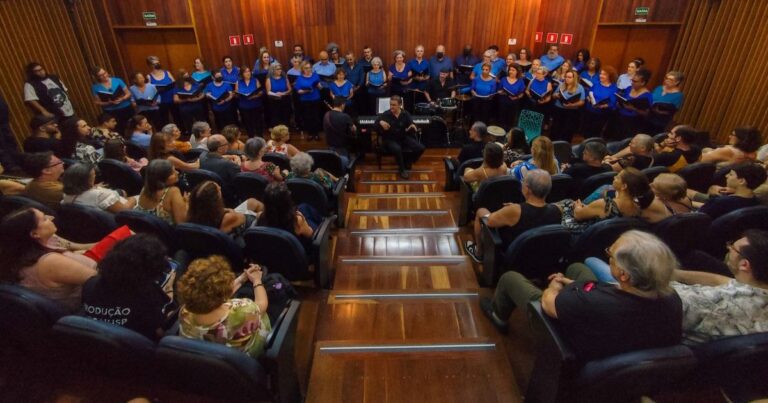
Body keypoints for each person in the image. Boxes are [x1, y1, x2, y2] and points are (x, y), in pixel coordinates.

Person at [481, 230, 682, 363]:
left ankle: (498, 316)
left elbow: (548, 303)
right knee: (578, 268)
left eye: (610, 256)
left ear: (623, 274)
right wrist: (574, 285)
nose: (608, 257)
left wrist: (554, 287)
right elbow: (610, 294)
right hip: (610, 336)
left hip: (565, 336)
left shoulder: (590, 302)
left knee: (510, 278)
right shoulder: (672, 299)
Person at [671, 230, 768, 344]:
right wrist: (675, 274)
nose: (728, 248)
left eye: (733, 248)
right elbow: (722, 281)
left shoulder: (713, 303)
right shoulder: (757, 289)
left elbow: (660, 295)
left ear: (744, 265)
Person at [0, 208, 95, 312]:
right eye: (45, 218)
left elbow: (79, 248)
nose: (51, 218)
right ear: (35, 234)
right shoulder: (50, 262)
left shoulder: (17, 256)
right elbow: (101, 280)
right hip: (91, 307)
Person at [81, 234, 173, 341]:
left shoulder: (90, 285)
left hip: (97, 345)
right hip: (137, 350)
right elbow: (161, 332)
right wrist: (170, 291)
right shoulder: (148, 294)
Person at [177, 256, 270, 358]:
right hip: (242, 360)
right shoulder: (243, 312)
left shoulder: (185, 312)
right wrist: (257, 280)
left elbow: (213, 295)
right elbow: (262, 304)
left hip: (208, 360)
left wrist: (242, 278)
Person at [465, 169, 561, 263]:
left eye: (523, 181)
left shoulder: (515, 211)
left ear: (527, 189)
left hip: (515, 256)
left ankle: (479, 253)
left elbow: (490, 221)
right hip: (542, 257)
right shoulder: (557, 210)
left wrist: (508, 210)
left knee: (481, 211)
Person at [559, 167, 670, 232]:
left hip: (583, 234)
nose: (614, 178)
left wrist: (578, 206)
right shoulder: (638, 207)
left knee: (567, 202)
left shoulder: (605, 205)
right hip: (605, 239)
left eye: (617, 177)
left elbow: (578, 215)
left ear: (624, 186)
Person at [187, 181, 260, 239]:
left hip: (229, 220)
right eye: (219, 190)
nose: (220, 187)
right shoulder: (267, 166)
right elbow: (247, 218)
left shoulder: (193, 215)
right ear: (215, 201)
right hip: (249, 226)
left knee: (252, 202)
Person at [374, 95, 424, 178]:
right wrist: (380, 122)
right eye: (390, 104)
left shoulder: (405, 113)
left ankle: (408, 161)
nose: (391, 107)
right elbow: (375, 125)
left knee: (421, 148)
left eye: (394, 105)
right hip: (390, 139)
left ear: (400, 105)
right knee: (397, 149)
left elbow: (412, 123)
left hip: (403, 137)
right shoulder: (386, 114)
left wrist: (413, 126)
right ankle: (402, 170)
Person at [697, 163, 766, 219]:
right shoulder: (757, 203)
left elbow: (698, 217)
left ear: (741, 181)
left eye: (731, 174)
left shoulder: (720, 202)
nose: (726, 176)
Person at [61, 163, 136, 212]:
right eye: (93, 175)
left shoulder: (66, 195)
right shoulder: (100, 195)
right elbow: (125, 211)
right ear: (87, 180)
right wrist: (134, 199)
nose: (95, 176)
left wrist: (92, 187)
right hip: (121, 218)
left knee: (122, 192)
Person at [134, 159, 187, 225]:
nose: (177, 172)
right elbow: (182, 223)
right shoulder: (173, 192)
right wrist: (186, 203)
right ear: (162, 178)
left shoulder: (144, 189)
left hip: (147, 231)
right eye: (173, 173)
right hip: (167, 234)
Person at [90, 67, 133, 135]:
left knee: (131, 127)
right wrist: (108, 102)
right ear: (97, 77)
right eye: (101, 75)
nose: (104, 76)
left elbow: (128, 93)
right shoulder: (95, 87)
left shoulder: (118, 80)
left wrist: (122, 98)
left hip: (125, 108)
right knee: (119, 130)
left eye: (104, 73)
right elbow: (97, 102)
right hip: (111, 111)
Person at [615, 68, 652, 140]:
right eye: (632, 80)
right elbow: (623, 98)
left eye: (635, 81)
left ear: (643, 82)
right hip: (620, 118)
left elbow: (646, 113)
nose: (632, 83)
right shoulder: (629, 88)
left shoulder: (647, 96)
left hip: (632, 123)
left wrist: (633, 108)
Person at [581, 66, 618, 138]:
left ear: (610, 76)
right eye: (601, 74)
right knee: (586, 130)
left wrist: (605, 105)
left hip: (601, 114)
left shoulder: (614, 88)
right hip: (589, 111)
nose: (601, 75)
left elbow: (613, 102)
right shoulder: (596, 83)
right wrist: (588, 97)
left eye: (604, 74)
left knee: (595, 132)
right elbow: (589, 92)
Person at [551, 70, 586, 143]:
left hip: (571, 111)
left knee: (567, 130)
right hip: (559, 109)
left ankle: (564, 145)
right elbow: (553, 95)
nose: (567, 78)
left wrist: (572, 105)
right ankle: (554, 143)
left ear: (574, 78)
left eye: (569, 77)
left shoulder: (580, 87)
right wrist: (556, 95)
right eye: (566, 77)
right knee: (556, 128)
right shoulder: (561, 85)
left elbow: (582, 101)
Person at [295, 61, 324, 141]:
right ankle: (310, 134)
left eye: (310, 68)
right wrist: (306, 91)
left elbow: (321, 88)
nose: (308, 69)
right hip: (305, 100)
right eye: (306, 68)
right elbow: (298, 91)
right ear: (302, 69)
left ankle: (316, 134)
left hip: (315, 99)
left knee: (316, 117)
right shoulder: (300, 78)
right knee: (308, 117)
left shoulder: (315, 76)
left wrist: (319, 86)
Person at [323, 96, 356, 166]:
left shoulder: (326, 115)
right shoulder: (345, 116)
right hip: (342, 147)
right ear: (342, 105)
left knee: (333, 165)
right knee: (343, 165)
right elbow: (353, 129)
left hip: (330, 146)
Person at [174, 70, 208, 136]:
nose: (187, 76)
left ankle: (204, 134)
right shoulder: (177, 86)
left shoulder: (194, 83)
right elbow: (175, 100)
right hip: (185, 109)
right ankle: (193, 136)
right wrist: (187, 99)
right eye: (185, 75)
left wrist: (197, 98)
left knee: (201, 122)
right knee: (189, 125)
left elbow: (202, 94)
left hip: (197, 106)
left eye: (187, 75)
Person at [146, 56, 176, 129]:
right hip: (161, 102)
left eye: (158, 61)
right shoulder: (149, 76)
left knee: (177, 117)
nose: (157, 63)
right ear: (150, 65)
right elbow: (149, 90)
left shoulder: (167, 73)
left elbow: (175, 84)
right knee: (165, 120)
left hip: (172, 99)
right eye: (155, 62)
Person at [235, 66, 265, 138]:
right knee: (248, 123)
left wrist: (255, 96)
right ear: (242, 74)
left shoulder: (255, 80)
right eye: (245, 72)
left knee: (258, 122)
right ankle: (251, 137)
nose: (248, 73)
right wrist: (237, 94)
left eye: (249, 71)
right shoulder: (238, 82)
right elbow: (236, 93)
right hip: (244, 106)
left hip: (255, 104)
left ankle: (260, 137)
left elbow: (261, 91)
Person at [496, 64, 525, 129]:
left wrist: (516, 97)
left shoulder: (520, 81)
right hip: (503, 102)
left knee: (510, 121)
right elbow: (498, 90)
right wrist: (500, 92)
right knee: (501, 120)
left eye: (513, 70)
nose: (511, 71)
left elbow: (522, 94)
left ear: (517, 72)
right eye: (510, 70)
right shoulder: (503, 79)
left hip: (513, 103)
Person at [342, 51, 365, 116]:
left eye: (350, 59)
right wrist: (349, 87)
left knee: (359, 106)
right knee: (349, 108)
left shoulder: (360, 66)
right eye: (347, 60)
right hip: (347, 90)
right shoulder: (344, 67)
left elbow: (362, 78)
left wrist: (357, 87)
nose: (349, 61)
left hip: (358, 89)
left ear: (354, 58)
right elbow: (342, 78)